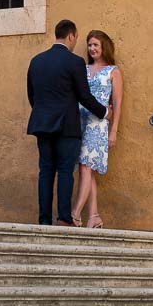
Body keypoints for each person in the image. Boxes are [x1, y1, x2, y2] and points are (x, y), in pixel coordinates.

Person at [27, 19, 108, 226]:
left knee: (45, 171)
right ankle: (64, 218)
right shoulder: (75, 62)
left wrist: (44, 113)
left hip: (42, 124)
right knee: (64, 171)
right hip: (66, 126)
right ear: (71, 36)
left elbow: (32, 96)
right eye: (76, 38)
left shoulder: (36, 61)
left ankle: (44, 220)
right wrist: (104, 111)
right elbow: (84, 96)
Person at [72, 29, 123, 229]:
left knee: (85, 167)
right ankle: (94, 216)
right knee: (88, 170)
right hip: (80, 123)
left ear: (104, 48)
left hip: (98, 126)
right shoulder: (83, 69)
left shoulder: (113, 71)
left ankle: (75, 214)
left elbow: (117, 104)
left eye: (96, 45)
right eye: (90, 45)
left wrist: (114, 131)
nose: (92, 48)